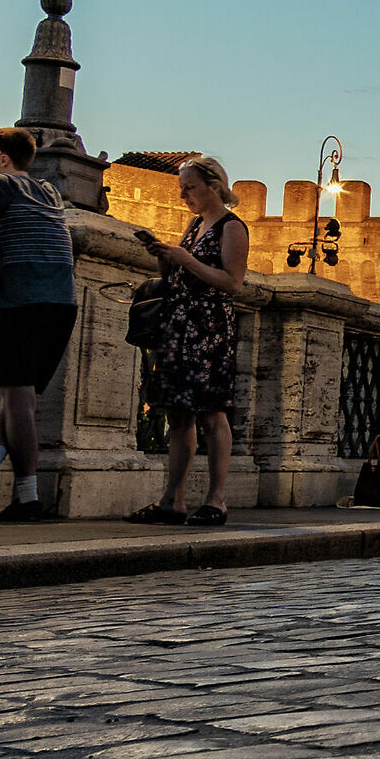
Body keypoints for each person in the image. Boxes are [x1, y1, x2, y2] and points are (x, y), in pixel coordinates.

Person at [130, 157, 249, 527]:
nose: (183, 195)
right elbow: (182, 273)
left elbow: (232, 283)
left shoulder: (232, 227)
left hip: (209, 328)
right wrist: (166, 259)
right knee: (178, 415)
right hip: (179, 327)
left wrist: (185, 258)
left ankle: (216, 500)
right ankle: (173, 500)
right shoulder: (195, 225)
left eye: (190, 187)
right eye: (181, 188)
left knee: (212, 414)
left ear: (214, 186)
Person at [0, 127, 78, 521]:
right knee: (20, 402)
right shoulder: (48, 191)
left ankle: (27, 495)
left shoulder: (2, 183)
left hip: (22, 299)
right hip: (62, 302)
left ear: (1, 156)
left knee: (17, 400)